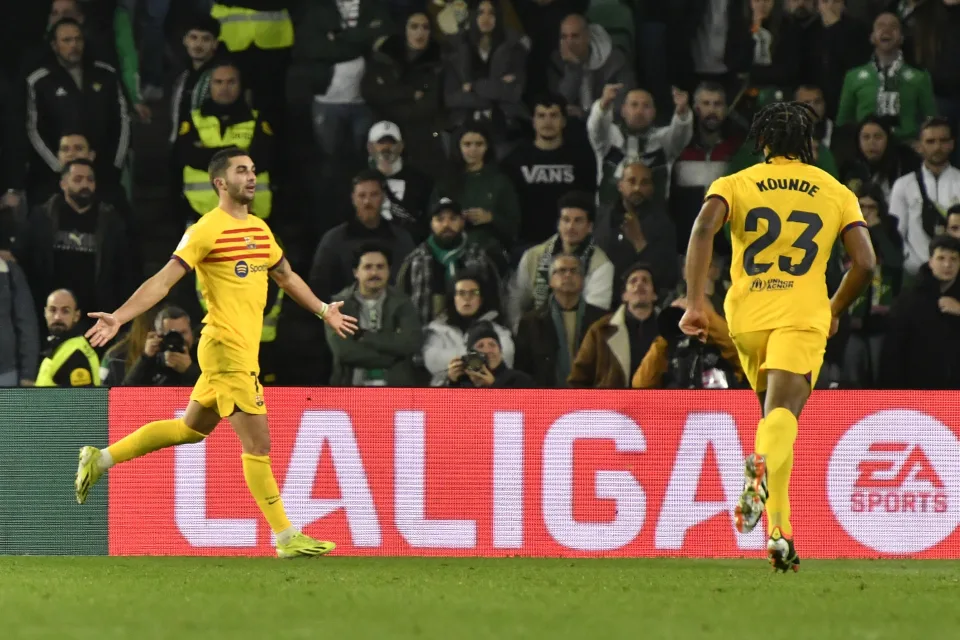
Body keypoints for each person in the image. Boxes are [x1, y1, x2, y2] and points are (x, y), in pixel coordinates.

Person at [75, 148, 359, 559]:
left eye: (254, 170)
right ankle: (285, 536)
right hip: (226, 349)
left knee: (190, 430)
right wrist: (119, 317)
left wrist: (322, 309)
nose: (251, 177)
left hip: (240, 350)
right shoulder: (206, 229)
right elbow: (163, 281)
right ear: (220, 182)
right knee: (258, 445)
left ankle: (99, 459)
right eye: (241, 170)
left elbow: (286, 275)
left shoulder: (260, 229)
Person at [679, 101, 877, 572]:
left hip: (747, 316)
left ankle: (779, 534)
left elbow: (704, 227)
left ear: (762, 141)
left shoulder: (735, 183)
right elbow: (866, 264)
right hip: (801, 313)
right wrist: (833, 307)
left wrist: (694, 301)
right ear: (809, 143)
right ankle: (759, 472)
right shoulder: (835, 191)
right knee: (782, 418)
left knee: (773, 422)